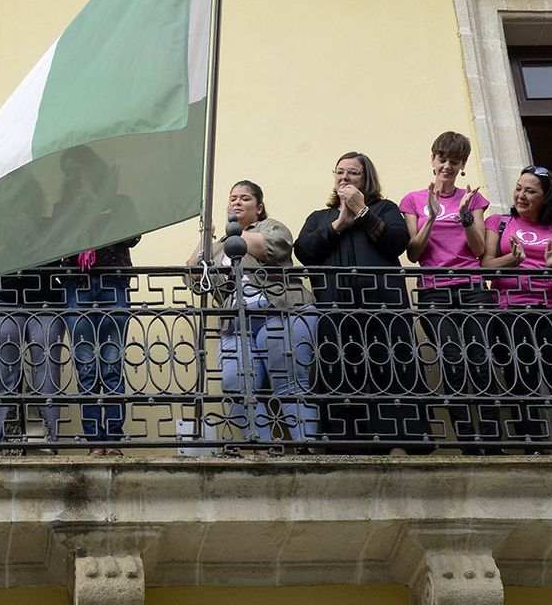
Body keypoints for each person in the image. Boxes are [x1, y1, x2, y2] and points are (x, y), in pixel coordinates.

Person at [295, 151, 427, 454]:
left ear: (366, 178)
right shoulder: (319, 217)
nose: (344, 177)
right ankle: (343, 443)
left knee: (394, 369)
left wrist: (363, 213)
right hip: (336, 308)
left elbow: (397, 243)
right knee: (338, 371)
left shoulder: (386, 208)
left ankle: (400, 443)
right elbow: (304, 250)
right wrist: (340, 222)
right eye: (340, 171)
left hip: (384, 306)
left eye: (353, 173)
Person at [189, 180, 317, 446]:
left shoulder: (270, 226)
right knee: (235, 384)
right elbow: (193, 278)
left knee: (289, 383)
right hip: (236, 322)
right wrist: (206, 240)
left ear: (259, 208)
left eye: (244, 198)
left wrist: (236, 233)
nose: (236, 202)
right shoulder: (219, 245)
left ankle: (306, 447)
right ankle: (262, 448)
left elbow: (272, 247)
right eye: (232, 198)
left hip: (282, 311)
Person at [399, 131, 493, 450]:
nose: (447, 166)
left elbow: (480, 249)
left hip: (472, 288)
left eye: (455, 161)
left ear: (463, 164)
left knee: (480, 361)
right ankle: (468, 440)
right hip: (435, 291)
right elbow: (414, 252)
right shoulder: (414, 200)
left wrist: (466, 214)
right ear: (433, 159)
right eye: (442, 159)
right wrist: (432, 216)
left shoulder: (473, 199)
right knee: (452, 362)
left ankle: (491, 438)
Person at [481, 166, 552, 444]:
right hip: (511, 311)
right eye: (519, 188)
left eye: (530, 191)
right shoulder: (498, 222)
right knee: (521, 378)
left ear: (546, 198)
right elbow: (485, 267)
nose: (521, 195)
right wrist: (512, 261)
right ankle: (532, 443)